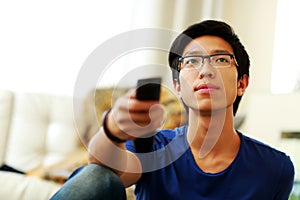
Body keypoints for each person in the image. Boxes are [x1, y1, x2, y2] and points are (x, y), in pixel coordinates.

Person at [51, 20, 295, 200]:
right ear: (178, 87)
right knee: (95, 176)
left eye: (220, 59)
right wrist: (113, 128)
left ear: (242, 83)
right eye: (191, 61)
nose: (205, 70)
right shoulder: (155, 147)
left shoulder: (275, 168)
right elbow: (103, 168)